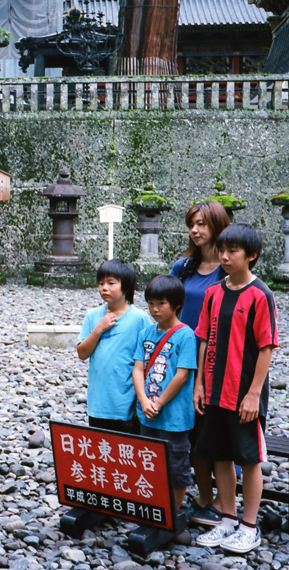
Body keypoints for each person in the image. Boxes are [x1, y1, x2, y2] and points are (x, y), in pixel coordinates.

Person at [193, 223, 278, 554]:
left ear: (251, 255)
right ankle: (227, 519)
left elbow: (267, 347)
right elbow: (204, 339)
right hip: (214, 389)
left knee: (249, 459)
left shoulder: (260, 295)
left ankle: (249, 527)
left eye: (232, 251)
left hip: (243, 392)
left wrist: (254, 393)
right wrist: (200, 383)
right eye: (221, 250)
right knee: (220, 456)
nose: (224, 257)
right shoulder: (214, 293)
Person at [169, 200, 231, 526]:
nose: (195, 230)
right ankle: (204, 495)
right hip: (182, 356)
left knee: (215, 429)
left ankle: (223, 500)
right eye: (192, 224)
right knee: (189, 429)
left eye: (202, 224)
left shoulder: (228, 269)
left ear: (218, 225)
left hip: (218, 359)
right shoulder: (183, 268)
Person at [132, 275, 198, 510]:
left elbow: (182, 375)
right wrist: (143, 400)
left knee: (176, 464)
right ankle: (155, 506)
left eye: (161, 303)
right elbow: (138, 369)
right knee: (149, 461)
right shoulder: (146, 333)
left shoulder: (185, 335)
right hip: (147, 412)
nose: (154, 309)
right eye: (151, 303)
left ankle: (173, 511)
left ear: (176, 304)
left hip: (174, 417)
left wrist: (158, 403)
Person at [75, 259, 152, 433]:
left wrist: (141, 399)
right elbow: (82, 353)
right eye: (101, 283)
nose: (104, 288)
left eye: (111, 283)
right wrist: (98, 329)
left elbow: (148, 362)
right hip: (98, 403)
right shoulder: (93, 316)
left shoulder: (139, 319)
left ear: (126, 286)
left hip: (126, 403)